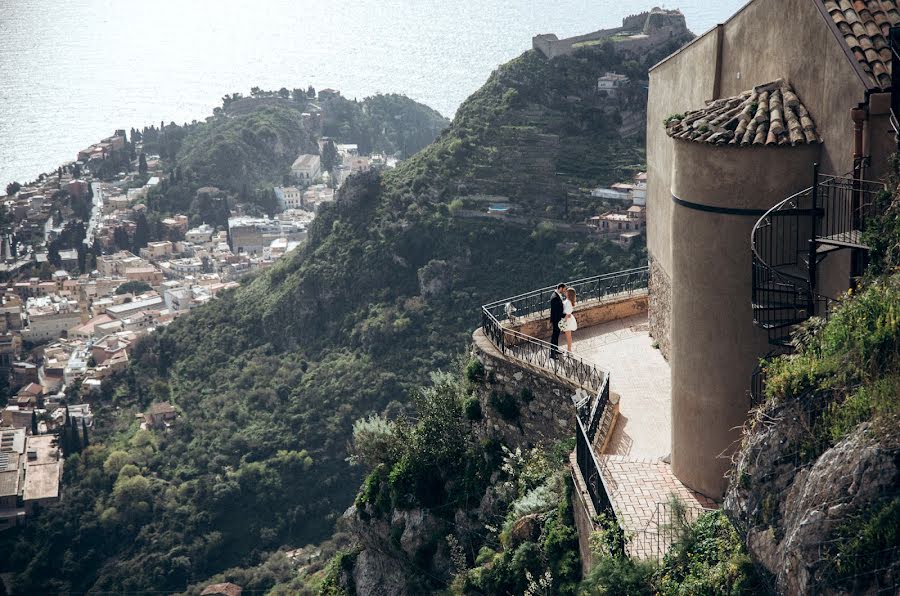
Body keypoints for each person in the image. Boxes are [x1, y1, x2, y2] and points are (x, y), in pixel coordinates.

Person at [549, 283, 566, 359]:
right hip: (556, 319)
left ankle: (555, 350)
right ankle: (552, 354)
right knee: (554, 336)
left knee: (556, 335)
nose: (564, 291)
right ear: (561, 288)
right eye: (564, 289)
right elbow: (556, 311)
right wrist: (563, 315)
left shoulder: (557, 295)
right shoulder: (554, 297)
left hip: (557, 319)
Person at [562, 288, 578, 352]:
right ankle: (569, 348)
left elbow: (567, 314)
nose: (565, 293)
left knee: (568, 336)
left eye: (567, 292)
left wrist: (563, 322)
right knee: (568, 335)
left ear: (569, 294)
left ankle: (569, 349)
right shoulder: (569, 301)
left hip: (567, 321)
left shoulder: (568, 303)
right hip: (568, 320)